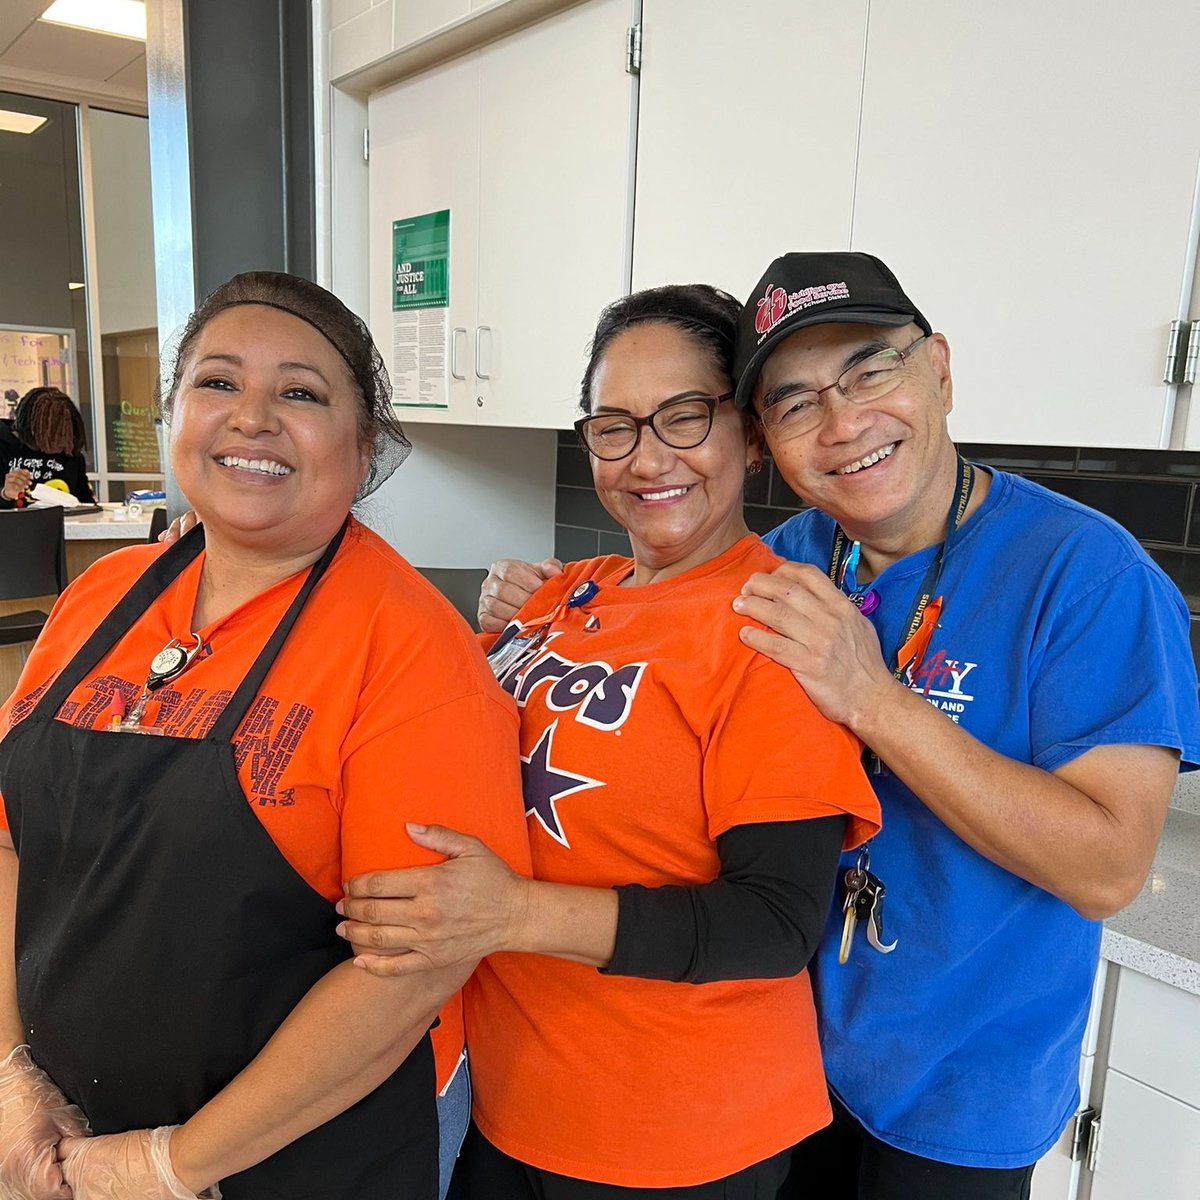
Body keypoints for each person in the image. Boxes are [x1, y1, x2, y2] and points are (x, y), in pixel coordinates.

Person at [456, 252, 1200, 1200]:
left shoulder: (1087, 575)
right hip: (801, 1055)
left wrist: (876, 699)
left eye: (870, 371)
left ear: (937, 366)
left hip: (959, 1086)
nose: (844, 425)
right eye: (798, 401)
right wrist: (548, 601)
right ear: (766, 434)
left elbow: (1109, 868)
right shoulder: (794, 557)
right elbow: (672, 603)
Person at [337, 283, 882, 1199]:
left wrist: (510, 915)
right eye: (614, 426)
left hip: (676, 1137)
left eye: (683, 417)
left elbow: (776, 923)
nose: (645, 458)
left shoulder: (775, 624)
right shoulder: (562, 592)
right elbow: (406, 702)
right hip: (508, 1102)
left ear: (747, 436)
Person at [0, 271, 528, 1200]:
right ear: (174, 417)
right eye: (216, 383)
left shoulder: (411, 653)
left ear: (365, 450)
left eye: (299, 392)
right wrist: (11, 1073)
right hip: (60, 1140)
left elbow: (409, 972)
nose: (251, 418)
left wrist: (171, 1165)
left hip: (299, 1159)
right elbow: (12, 847)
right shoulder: (99, 598)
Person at [0, 387, 95, 507]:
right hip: (13, 525)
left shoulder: (71, 456)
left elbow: (86, 505)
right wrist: (5, 495)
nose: (60, 441)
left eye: (65, 433)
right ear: (32, 429)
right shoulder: (4, 448)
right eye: (53, 433)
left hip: (61, 525)